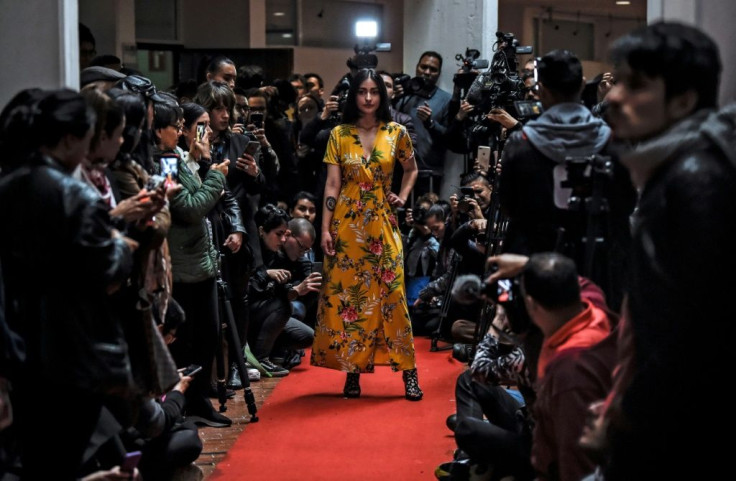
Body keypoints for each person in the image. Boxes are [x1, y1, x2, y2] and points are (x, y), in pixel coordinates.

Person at [596, 22, 736, 480]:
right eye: (617, 81)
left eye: (635, 86)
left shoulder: (695, 179)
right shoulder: (674, 165)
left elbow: (693, 330)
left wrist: (634, 412)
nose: (614, 97)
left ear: (683, 101)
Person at [0, 89, 135, 479]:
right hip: (72, 345)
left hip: (19, 341)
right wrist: (121, 244)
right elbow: (108, 269)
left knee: (36, 459)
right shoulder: (74, 195)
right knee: (64, 455)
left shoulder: (8, 184)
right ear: (70, 138)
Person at [310, 68, 423, 400]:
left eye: (375, 91)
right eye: (362, 91)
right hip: (346, 227)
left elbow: (412, 168)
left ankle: (409, 373)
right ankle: (352, 372)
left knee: (394, 299)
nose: (369, 97)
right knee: (351, 300)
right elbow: (332, 184)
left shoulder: (396, 131)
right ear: (354, 95)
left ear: (383, 95)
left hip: (383, 224)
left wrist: (402, 196)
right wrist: (325, 229)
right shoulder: (339, 134)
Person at [497, 49, 635, 312]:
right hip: (600, 271)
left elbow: (510, 208)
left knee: (542, 348)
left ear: (541, 90)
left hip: (539, 271)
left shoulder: (521, 143)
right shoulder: (613, 140)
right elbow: (626, 203)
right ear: (582, 85)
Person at [394, 51, 452, 197]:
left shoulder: (446, 100)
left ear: (439, 74)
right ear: (417, 67)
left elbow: (449, 137)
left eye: (433, 69)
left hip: (428, 172)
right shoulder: (403, 94)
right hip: (398, 170)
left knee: (426, 217)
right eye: (423, 67)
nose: (427, 72)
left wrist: (430, 123)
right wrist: (392, 98)